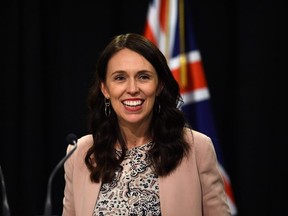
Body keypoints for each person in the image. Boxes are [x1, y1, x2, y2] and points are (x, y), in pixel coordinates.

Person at [62, 33, 231, 216]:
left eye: (143, 77)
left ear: (159, 86)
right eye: (120, 78)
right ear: (105, 89)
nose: (133, 89)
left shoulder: (196, 148)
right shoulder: (80, 153)